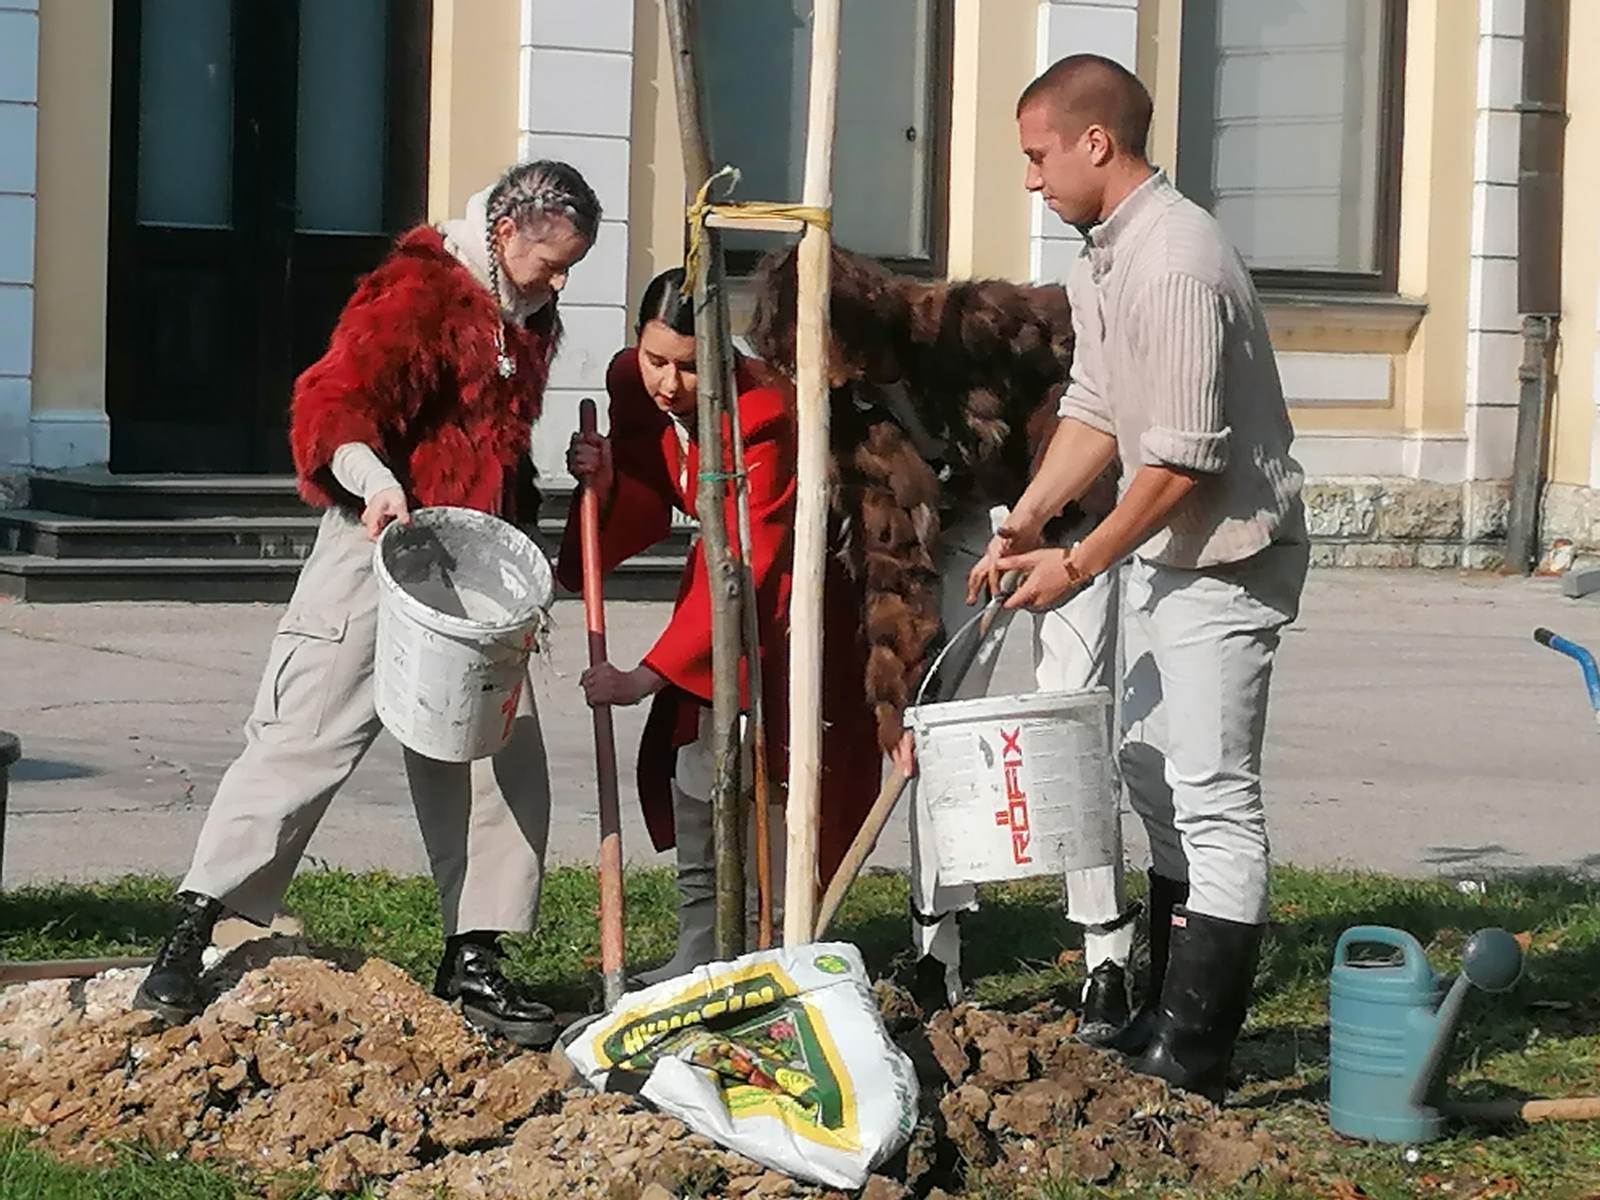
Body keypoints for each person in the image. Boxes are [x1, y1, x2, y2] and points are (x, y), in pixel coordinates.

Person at [133, 161, 602, 1050]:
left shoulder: (529, 318)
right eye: (554, 260)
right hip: (374, 544)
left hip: (472, 565)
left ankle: (474, 955)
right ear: (506, 233)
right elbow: (332, 405)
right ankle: (194, 928)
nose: (562, 279)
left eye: (573, 264)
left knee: (495, 758)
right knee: (302, 736)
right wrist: (375, 481)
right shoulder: (418, 290)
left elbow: (498, 449)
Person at [970, 54, 1309, 1099]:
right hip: (1166, 555)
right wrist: (1025, 517)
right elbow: (1097, 409)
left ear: (1095, 143)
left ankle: (1196, 1054)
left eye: (1036, 157)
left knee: (1211, 798)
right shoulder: (1104, 256)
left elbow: (1180, 459)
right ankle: (1164, 1014)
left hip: (1227, 558)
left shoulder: (1172, 259)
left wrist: (1075, 562)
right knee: (1154, 779)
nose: (1030, 179)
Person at [748, 247, 1137, 1033]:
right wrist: (898, 694)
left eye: (814, 351)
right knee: (936, 729)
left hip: (1063, 525)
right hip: (964, 535)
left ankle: (1107, 956)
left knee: (1071, 719)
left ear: (851, 325)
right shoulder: (850, 413)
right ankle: (935, 950)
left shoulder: (969, 324)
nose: (811, 376)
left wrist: (1046, 511)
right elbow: (890, 553)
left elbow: (1086, 367)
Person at [557, 268, 880, 980]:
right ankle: (700, 945)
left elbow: (747, 556)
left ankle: (772, 938)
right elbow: (648, 492)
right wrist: (609, 481)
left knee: (776, 776)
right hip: (717, 590)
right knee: (694, 762)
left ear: (720, 358)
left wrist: (645, 674)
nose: (668, 383)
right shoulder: (634, 389)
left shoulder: (763, 416)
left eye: (686, 366)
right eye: (655, 361)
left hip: (792, 610)